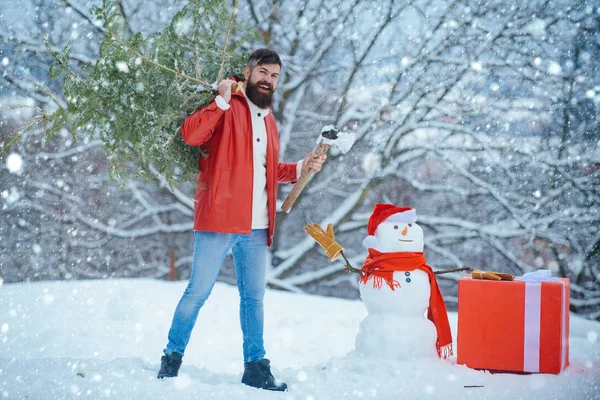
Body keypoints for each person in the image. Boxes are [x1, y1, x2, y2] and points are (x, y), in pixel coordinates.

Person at [157, 49, 326, 391]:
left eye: (275, 76)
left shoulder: (269, 120)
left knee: (253, 299)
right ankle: (171, 360)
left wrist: (299, 168)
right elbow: (190, 135)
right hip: (219, 218)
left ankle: (255, 367)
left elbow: (267, 169)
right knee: (197, 293)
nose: (268, 80)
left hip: (257, 224)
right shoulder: (227, 105)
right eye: (263, 72)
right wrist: (219, 102)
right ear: (247, 73)